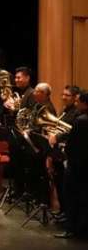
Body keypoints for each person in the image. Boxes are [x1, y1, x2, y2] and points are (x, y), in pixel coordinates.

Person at [54, 91, 88, 239]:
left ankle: (71, 229)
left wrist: (62, 149)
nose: (76, 103)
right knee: (84, 198)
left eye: (78, 101)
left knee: (71, 197)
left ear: (84, 103)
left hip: (76, 165)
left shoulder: (81, 120)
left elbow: (72, 145)